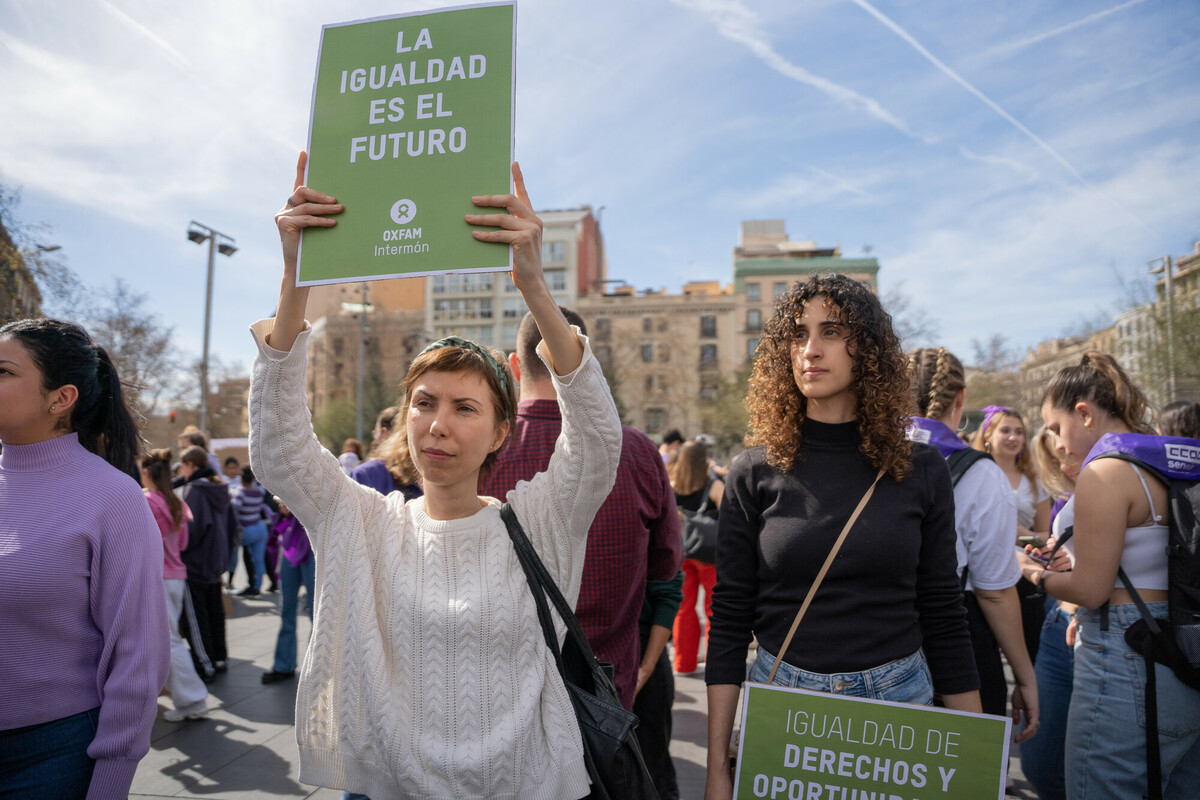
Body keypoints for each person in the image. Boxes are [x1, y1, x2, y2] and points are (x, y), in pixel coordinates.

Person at [249, 155, 621, 798]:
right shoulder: (362, 520)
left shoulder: (539, 521)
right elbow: (279, 448)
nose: (437, 425)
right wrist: (296, 277)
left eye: (465, 407)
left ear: (501, 433)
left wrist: (535, 287)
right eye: (424, 402)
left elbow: (596, 440)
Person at [704, 274, 980, 800]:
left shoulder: (921, 469)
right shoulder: (753, 472)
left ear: (868, 351)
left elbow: (944, 612)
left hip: (898, 706)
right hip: (785, 705)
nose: (810, 350)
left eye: (831, 331)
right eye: (798, 334)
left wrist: (974, 759)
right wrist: (718, 766)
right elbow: (732, 616)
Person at [0, 318, 169, 800]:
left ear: (60, 398)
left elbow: (138, 656)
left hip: (50, 755)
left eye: (3, 370)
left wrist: (111, 781)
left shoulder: (113, 497)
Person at [1019, 350, 1200, 799]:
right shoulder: (1170, 462)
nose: (1058, 444)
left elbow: (1091, 590)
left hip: (1125, 656)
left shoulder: (1106, 472)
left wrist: (1032, 574)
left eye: (1057, 428)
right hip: (1185, 646)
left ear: (1084, 414)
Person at [482, 306, 682, 709]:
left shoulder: (483, 448)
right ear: (586, 362)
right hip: (605, 696)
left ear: (517, 366)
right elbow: (666, 568)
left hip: (503, 696)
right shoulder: (639, 452)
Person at [907, 347, 1038, 734]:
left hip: (871, 636)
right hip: (955, 639)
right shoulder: (983, 475)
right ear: (960, 398)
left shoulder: (860, 452)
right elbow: (994, 591)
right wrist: (1025, 677)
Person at [1019, 427, 1079, 800]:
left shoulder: (1121, 477)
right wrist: (1055, 552)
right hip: (1057, 623)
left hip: (1096, 633)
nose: (1061, 454)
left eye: (1063, 441)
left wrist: (1031, 571)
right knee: (1039, 762)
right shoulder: (1064, 495)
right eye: (1053, 457)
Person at [972, 404, 1049, 662]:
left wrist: (1020, 534)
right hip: (978, 572)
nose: (1013, 437)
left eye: (1019, 432)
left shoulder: (1034, 481)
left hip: (1023, 572)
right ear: (988, 435)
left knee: (1030, 646)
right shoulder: (973, 474)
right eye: (1005, 430)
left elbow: (1044, 535)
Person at [140, 449, 210, 722]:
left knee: (169, 640)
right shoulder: (177, 502)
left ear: (147, 473)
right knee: (168, 638)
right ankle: (186, 697)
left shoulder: (146, 501)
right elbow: (181, 544)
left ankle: (192, 699)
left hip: (158, 576)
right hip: (176, 576)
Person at [178, 445, 240, 680]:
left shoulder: (194, 490)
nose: (181, 470)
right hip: (215, 562)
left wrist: (178, 546)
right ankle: (219, 657)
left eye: (182, 465)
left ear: (191, 465)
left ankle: (206, 664)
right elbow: (234, 525)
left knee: (197, 617)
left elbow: (191, 531)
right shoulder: (220, 487)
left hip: (195, 563)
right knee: (215, 613)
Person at [670, 438, 723, 675]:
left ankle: (684, 663)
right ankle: (715, 664)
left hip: (682, 553)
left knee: (683, 609)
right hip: (709, 555)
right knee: (714, 609)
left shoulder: (672, 484)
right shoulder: (713, 486)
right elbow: (730, 518)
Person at [634, 571, 685, 800]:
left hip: (644, 655)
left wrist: (645, 669)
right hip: (585, 655)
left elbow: (668, 594)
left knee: (652, 770)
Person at [262, 499, 315, 684]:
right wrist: (285, 505)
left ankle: (316, 669)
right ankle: (283, 665)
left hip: (313, 545)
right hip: (291, 544)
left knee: (316, 614)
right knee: (286, 610)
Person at [350, 406, 422, 500]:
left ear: (384, 432)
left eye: (375, 433)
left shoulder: (363, 473)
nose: (375, 439)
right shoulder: (425, 472)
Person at [231, 465, 269, 596]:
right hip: (260, 528)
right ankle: (257, 586)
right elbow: (261, 483)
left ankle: (231, 580)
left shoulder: (239, 493)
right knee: (259, 560)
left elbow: (234, 511)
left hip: (246, 530)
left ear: (241, 478)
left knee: (236, 554)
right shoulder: (259, 491)